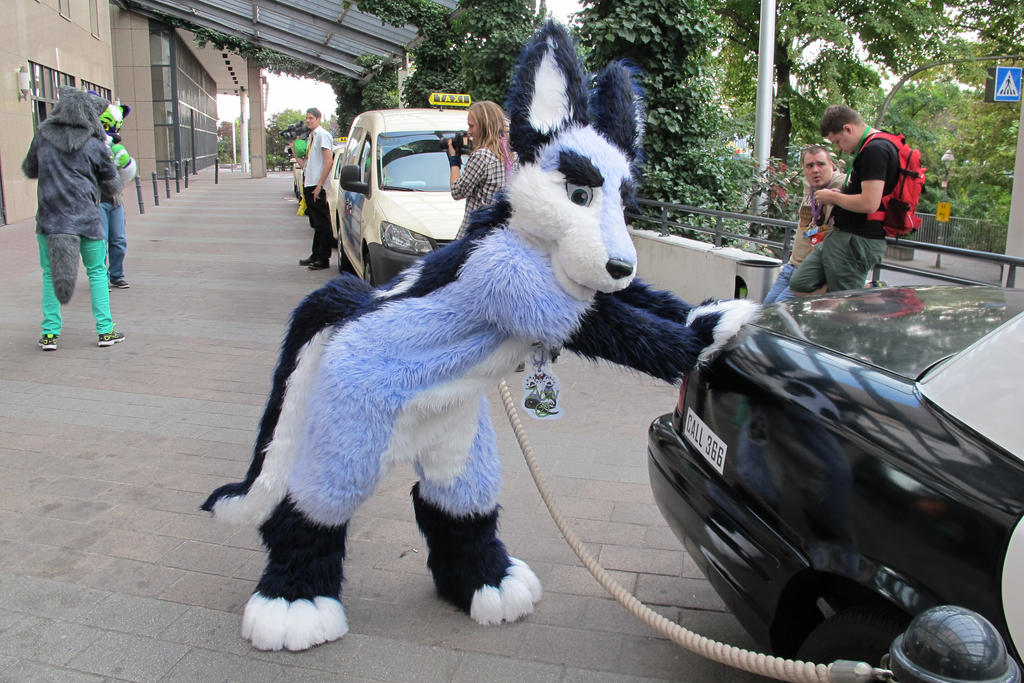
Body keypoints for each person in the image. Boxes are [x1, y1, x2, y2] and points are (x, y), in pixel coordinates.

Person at [22, 86, 125, 351]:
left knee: (50, 275)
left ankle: (49, 334)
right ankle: (105, 331)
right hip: (86, 220)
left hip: (49, 220)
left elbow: (29, 169)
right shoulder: (93, 144)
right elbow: (112, 185)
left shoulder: (42, 138)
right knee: (97, 273)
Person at [788, 105, 898, 296]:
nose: (839, 149)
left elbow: (869, 203)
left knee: (843, 305)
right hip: (842, 237)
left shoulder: (875, 149)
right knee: (800, 285)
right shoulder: (870, 147)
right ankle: (861, 294)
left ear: (848, 129)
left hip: (856, 240)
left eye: (838, 142)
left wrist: (832, 197)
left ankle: (864, 297)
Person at [762, 145, 845, 303]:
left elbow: (867, 193)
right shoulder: (809, 185)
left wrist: (840, 197)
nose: (815, 170)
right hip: (792, 266)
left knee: (777, 317)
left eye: (821, 164)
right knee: (763, 312)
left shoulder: (840, 183)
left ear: (832, 167)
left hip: (810, 273)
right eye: (809, 166)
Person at [448, 100, 517, 239]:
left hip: (473, 238)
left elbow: (457, 192)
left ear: (484, 127)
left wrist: (454, 160)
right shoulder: (514, 156)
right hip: (498, 238)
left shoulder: (482, 156)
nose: (469, 131)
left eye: (471, 126)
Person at [98, 101, 138, 289]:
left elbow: (125, 175)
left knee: (119, 240)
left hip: (115, 199)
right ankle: (101, 278)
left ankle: (117, 275)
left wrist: (125, 163)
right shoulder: (90, 148)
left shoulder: (114, 147)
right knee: (100, 242)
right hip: (97, 201)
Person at [296, 108, 334, 270]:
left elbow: (329, 161)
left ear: (319, 118)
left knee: (323, 224)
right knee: (316, 223)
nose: (308, 121)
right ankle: (316, 254)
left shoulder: (323, 135)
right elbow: (306, 165)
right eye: (307, 118)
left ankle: (323, 259)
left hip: (317, 186)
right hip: (309, 183)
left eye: (311, 118)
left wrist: (319, 185)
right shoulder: (312, 137)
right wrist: (293, 147)